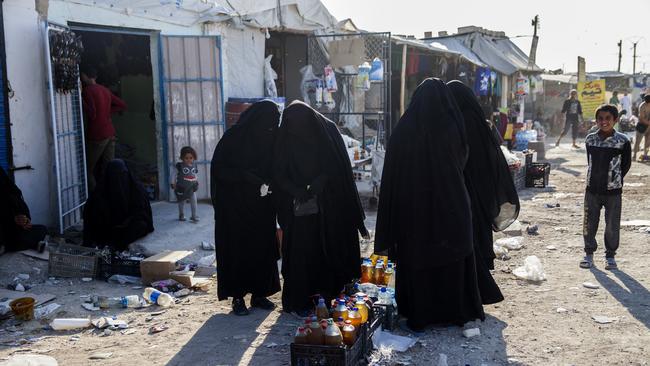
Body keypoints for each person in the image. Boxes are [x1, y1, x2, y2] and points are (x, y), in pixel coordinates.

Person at [374, 78, 484, 331]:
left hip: (414, 209)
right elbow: (463, 158)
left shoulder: (405, 128)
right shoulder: (452, 126)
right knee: (452, 257)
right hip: (451, 204)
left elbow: (392, 171)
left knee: (417, 257)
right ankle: (453, 311)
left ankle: (419, 314)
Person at [273, 101, 368, 316]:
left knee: (326, 248)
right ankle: (301, 299)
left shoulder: (327, 130)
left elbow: (338, 165)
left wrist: (321, 181)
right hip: (299, 209)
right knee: (302, 252)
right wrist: (295, 189)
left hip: (329, 206)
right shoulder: (285, 136)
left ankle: (327, 294)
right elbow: (278, 171)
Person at [447, 80, 521, 305]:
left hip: (467, 186)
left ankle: (474, 284)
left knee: (470, 235)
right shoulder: (478, 120)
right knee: (478, 232)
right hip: (481, 187)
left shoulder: (461, 121)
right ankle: (478, 282)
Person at [210, 101, 282, 316]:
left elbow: (277, 166)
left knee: (262, 249)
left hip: (262, 206)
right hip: (235, 207)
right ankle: (238, 297)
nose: (272, 127)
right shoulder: (234, 137)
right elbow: (219, 170)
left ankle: (260, 294)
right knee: (238, 249)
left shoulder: (272, 138)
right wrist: (243, 176)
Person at [579, 105, 631, 270]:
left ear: (615, 120)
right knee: (590, 222)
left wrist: (615, 179)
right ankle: (589, 253)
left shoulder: (623, 141)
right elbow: (590, 162)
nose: (604, 122)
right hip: (592, 189)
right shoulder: (590, 139)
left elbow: (626, 165)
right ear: (596, 120)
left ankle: (610, 256)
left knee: (612, 224)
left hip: (613, 191)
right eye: (600, 118)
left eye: (608, 118)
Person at [83, 159, 153, 251]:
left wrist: (126, 222)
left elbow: (142, 213)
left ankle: (116, 242)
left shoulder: (136, 190)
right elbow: (90, 215)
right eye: (114, 175)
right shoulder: (99, 193)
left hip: (127, 225)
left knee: (140, 225)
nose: (118, 179)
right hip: (108, 228)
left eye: (122, 174)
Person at [81, 67, 127, 191]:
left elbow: (92, 114)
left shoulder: (87, 91)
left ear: (85, 76)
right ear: (95, 77)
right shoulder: (105, 90)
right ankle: (111, 194)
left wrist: (81, 100)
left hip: (97, 135)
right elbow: (122, 105)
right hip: (110, 133)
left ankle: (97, 198)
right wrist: (107, 112)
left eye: (82, 76)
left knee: (87, 169)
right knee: (109, 168)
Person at [0, 167, 48, 255]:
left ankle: (11, 246)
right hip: (5, 233)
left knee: (42, 229)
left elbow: (20, 204)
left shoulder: (9, 188)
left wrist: (25, 220)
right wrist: (12, 219)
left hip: (13, 232)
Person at [173, 146, 199, 222]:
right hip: (182, 187)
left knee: (194, 201)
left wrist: (196, 181)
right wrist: (172, 182)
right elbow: (173, 174)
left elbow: (194, 174)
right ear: (182, 158)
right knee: (181, 202)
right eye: (186, 158)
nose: (188, 160)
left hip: (191, 187)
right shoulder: (179, 166)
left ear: (194, 157)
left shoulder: (194, 165)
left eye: (191, 158)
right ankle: (181, 214)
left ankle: (194, 216)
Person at [633, 94, 650, 160]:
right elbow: (641, 118)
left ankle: (645, 155)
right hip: (641, 126)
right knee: (638, 141)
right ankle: (634, 155)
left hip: (649, 127)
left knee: (648, 141)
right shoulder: (642, 106)